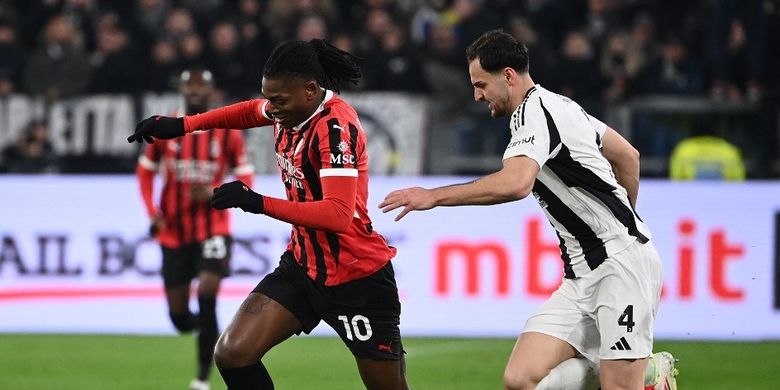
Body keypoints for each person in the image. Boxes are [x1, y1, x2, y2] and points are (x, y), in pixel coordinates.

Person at [380, 30, 678, 390]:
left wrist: (433, 196)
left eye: (480, 84)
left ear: (507, 76)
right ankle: (643, 371)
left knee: (619, 387)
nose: (476, 95)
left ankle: (642, 376)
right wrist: (624, 218)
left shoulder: (533, 114)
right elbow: (628, 156)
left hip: (621, 269)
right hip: (582, 275)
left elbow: (517, 182)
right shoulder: (562, 105)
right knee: (521, 379)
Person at [128, 39, 408, 390]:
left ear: (310, 90)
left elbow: (338, 215)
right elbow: (247, 111)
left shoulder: (335, 130)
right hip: (303, 268)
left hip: (356, 278)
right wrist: (184, 125)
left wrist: (256, 201)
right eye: (268, 98)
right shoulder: (291, 108)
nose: (271, 109)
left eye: (278, 101)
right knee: (233, 353)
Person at [135, 67, 255, 390]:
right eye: (191, 87)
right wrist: (153, 213)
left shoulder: (228, 131)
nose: (197, 93)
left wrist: (217, 193)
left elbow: (246, 177)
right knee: (179, 317)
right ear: (184, 91)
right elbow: (145, 173)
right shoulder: (165, 129)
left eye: (203, 87)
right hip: (173, 231)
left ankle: (202, 378)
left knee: (207, 292)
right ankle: (204, 327)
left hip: (213, 228)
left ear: (212, 92)